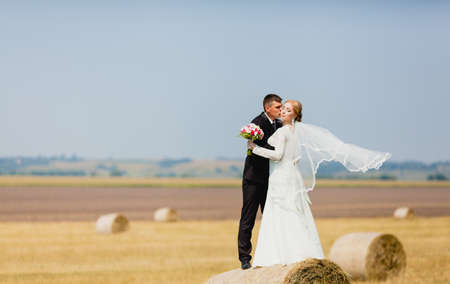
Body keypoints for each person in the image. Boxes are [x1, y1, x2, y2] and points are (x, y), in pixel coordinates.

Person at [248, 100, 391, 266]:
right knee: (294, 212)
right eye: (283, 108)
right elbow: (297, 157)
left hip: (281, 176)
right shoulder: (295, 132)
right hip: (291, 176)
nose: (283, 112)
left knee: (281, 212)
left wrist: (255, 148)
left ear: (295, 115)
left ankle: (281, 255)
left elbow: (278, 155)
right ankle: (301, 250)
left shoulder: (283, 132)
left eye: (288, 110)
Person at [238, 94, 283, 270]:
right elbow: (263, 148)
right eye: (278, 107)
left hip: (270, 180)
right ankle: (244, 258)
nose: (281, 109)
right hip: (253, 179)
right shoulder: (256, 124)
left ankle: (272, 254)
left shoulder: (279, 124)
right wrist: (279, 151)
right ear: (268, 108)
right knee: (248, 219)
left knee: (270, 217)